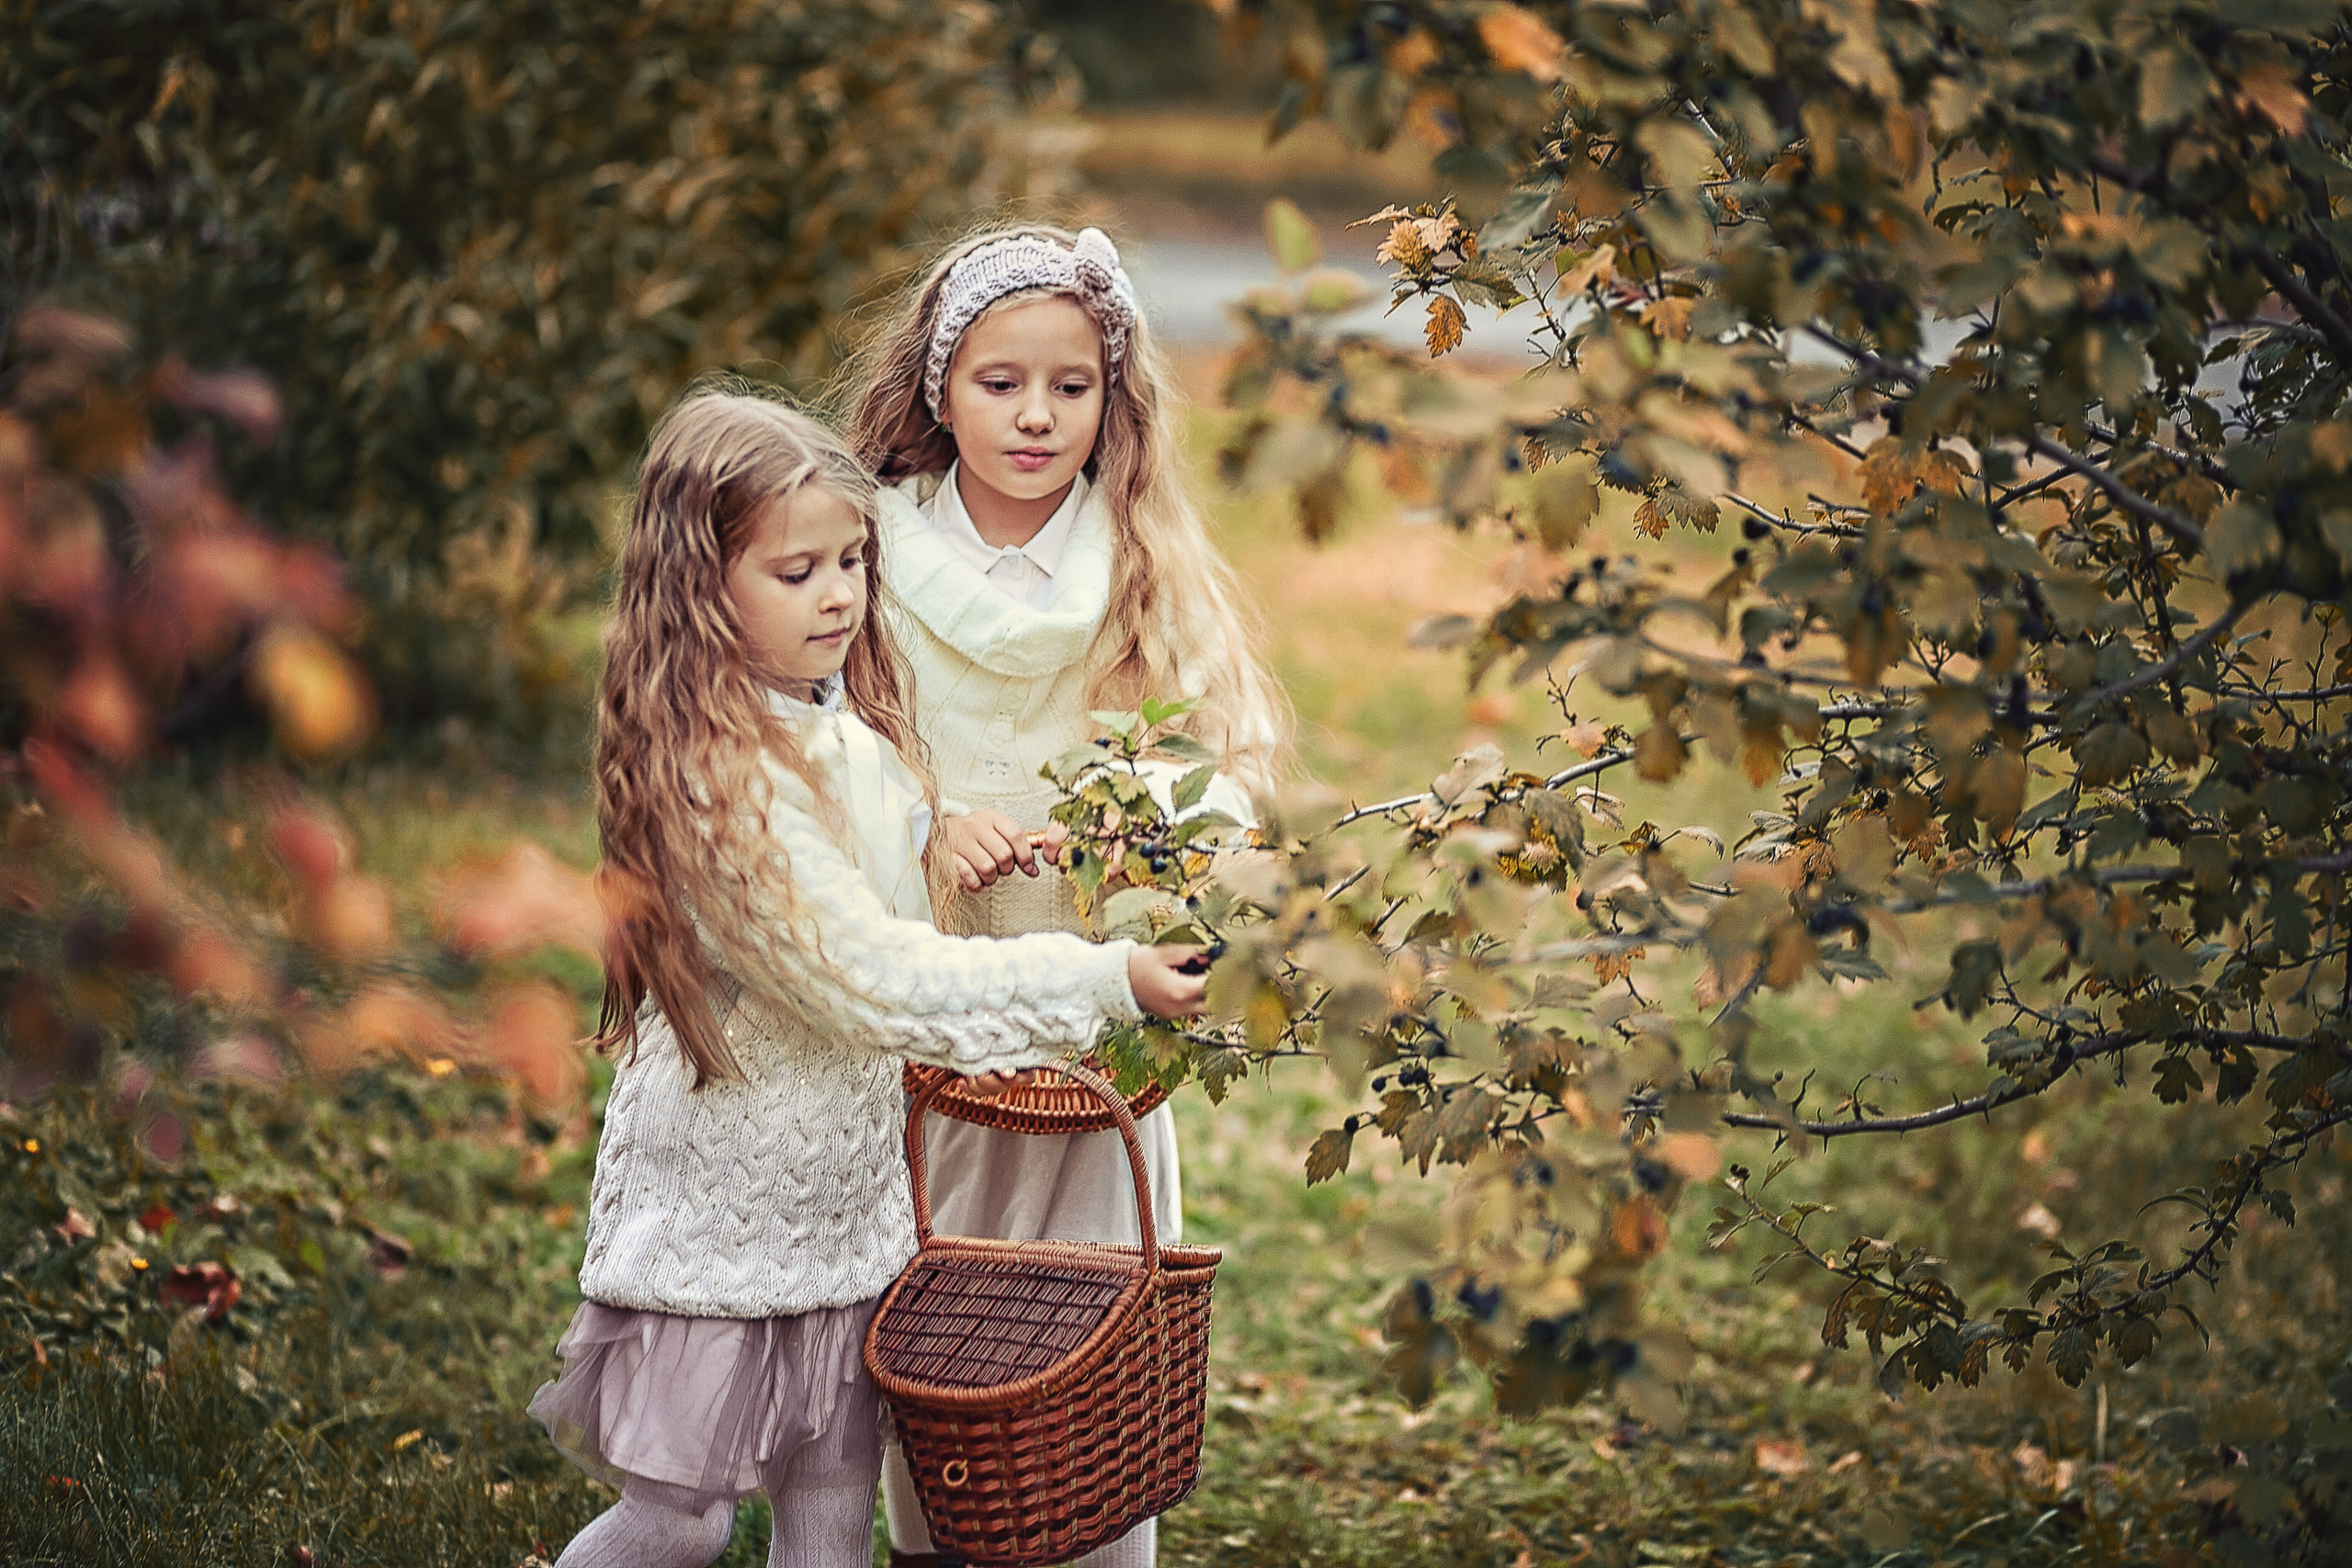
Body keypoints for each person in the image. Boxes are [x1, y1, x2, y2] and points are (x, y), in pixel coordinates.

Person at [527, 388, 1206, 1568]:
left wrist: (952, 833)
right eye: (797, 573)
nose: (839, 594)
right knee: (678, 1525)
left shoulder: (828, 723)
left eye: (851, 558)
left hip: (848, 1217)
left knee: (833, 1518)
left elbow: (877, 864)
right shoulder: (717, 782)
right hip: (723, 1236)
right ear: (700, 586)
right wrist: (1105, 981)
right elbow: (866, 976)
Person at [842, 225, 1288, 1568]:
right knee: (946, 1331)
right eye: (998, 382)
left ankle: (1093, 1537)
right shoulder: (868, 560)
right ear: (936, 387)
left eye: (1072, 386)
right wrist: (925, 826)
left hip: (1099, 1039)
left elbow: (1227, 782)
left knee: (1087, 1347)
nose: (1037, 415)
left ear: (1114, 399)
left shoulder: (1140, 567)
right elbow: (815, 763)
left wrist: (1135, 833)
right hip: (936, 1033)